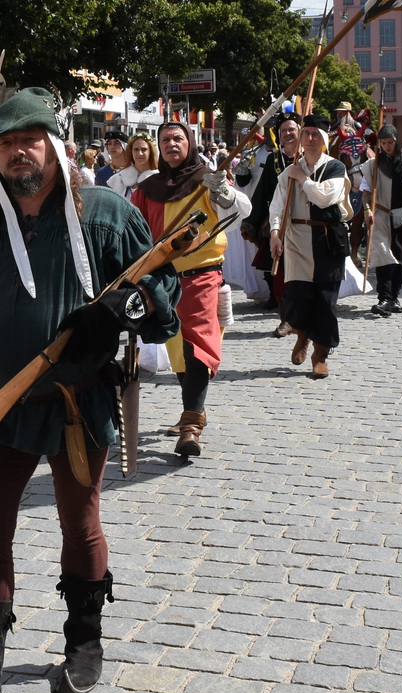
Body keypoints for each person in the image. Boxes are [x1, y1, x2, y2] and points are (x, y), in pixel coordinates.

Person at [0, 87, 179, 693]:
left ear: (55, 147)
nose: (16, 154)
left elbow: (161, 291)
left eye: (27, 141)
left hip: (77, 401)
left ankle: (84, 642)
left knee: (79, 523)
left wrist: (117, 315)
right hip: (0, 401)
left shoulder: (109, 215)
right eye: (5, 145)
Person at [128, 120, 248, 458]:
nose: (171, 144)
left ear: (189, 142)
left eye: (178, 138)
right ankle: (192, 408)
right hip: (162, 279)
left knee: (196, 345)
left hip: (201, 275)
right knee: (178, 349)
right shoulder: (147, 187)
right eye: (165, 139)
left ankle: (191, 425)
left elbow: (240, 213)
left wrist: (221, 190)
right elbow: (134, 230)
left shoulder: (209, 179)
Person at [267, 117, 350, 379]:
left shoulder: (335, 168)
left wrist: (302, 177)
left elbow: (325, 198)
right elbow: (277, 205)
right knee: (297, 298)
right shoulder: (288, 171)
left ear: (324, 139)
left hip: (326, 239)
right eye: (307, 134)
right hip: (296, 239)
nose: (311, 139)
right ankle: (302, 334)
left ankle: (320, 353)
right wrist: (275, 232)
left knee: (326, 302)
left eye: (316, 134)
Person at [355, 124, 402, 316]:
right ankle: (384, 298)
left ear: (396, 141)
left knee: (400, 257)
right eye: (383, 143)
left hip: (401, 215)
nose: (387, 146)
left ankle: (394, 298)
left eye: (390, 142)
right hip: (379, 215)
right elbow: (365, 192)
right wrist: (366, 210)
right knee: (382, 256)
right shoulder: (372, 165)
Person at [242, 113, 301, 316]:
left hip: (303, 220)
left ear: (300, 130)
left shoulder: (308, 156)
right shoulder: (273, 159)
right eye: (283, 131)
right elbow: (263, 190)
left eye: (291, 129)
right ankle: (277, 298)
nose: (287, 134)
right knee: (271, 257)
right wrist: (252, 219)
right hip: (277, 218)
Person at [105, 135, 157, 200]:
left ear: (151, 151)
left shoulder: (159, 178)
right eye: (136, 149)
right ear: (131, 152)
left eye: (144, 149)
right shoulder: (119, 179)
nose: (140, 153)